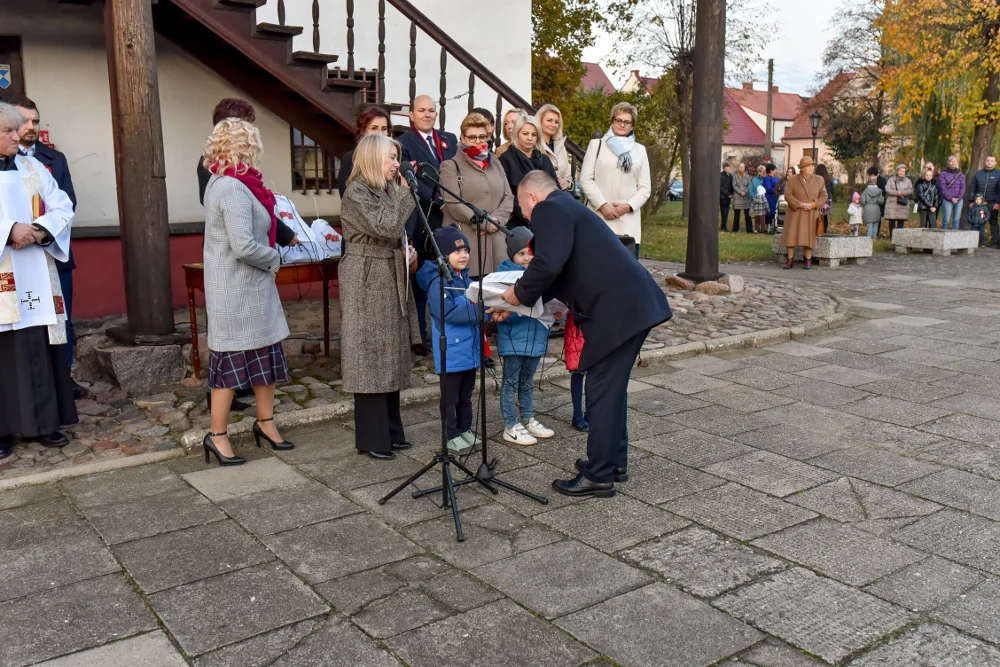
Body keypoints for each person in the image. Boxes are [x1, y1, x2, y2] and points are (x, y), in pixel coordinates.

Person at [498, 171, 672, 498]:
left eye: (524, 209)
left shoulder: (550, 209)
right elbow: (558, 268)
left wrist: (517, 293)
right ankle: (613, 462)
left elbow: (547, 264)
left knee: (602, 389)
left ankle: (600, 474)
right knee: (611, 388)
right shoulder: (567, 206)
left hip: (618, 310)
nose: (526, 217)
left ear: (532, 197)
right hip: (631, 305)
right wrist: (518, 304)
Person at [200, 119, 293, 467]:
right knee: (229, 365)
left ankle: (265, 422)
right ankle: (217, 435)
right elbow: (243, 246)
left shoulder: (230, 182)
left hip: (248, 289)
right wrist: (275, 258)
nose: (253, 154)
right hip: (237, 290)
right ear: (243, 148)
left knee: (265, 359)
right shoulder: (232, 188)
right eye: (250, 147)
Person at [0, 102, 77, 460]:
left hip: (36, 273)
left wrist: (41, 230)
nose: (17, 137)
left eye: (17, 130)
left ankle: (45, 423)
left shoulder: (32, 167)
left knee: (38, 345)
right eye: (8, 131)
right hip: (4, 275)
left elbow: (61, 204)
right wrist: (8, 231)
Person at [339, 134, 420, 460]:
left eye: (397, 158)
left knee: (390, 353)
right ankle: (373, 438)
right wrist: (404, 193)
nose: (397, 164)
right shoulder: (356, 192)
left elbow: (394, 232)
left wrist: (407, 251)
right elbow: (385, 225)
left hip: (387, 270)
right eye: (391, 158)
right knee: (370, 354)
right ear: (373, 159)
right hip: (366, 277)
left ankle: (391, 431)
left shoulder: (384, 190)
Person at [10, 96, 87, 400]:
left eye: (35, 121)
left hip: (50, 251)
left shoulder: (53, 159)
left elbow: (68, 202)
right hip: (13, 256)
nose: (30, 127)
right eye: (24, 121)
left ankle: (62, 377)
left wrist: (39, 231)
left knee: (60, 320)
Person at [416, 226, 487, 456]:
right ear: (443, 255)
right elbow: (448, 312)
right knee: (450, 397)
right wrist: (481, 310)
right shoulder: (439, 282)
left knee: (466, 396)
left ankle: (465, 429)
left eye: (466, 250)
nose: (464, 255)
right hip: (451, 353)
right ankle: (451, 435)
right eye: (456, 251)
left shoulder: (464, 279)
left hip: (469, 351)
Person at [398, 95, 459, 343]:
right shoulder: (403, 142)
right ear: (411, 114)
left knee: (450, 275)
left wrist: (454, 201)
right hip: (424, 218)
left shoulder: (448, 140)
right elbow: (412, 181)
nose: (427, 114)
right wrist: (439, 201)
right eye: (421, 110)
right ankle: (420, 335)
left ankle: (449, 328)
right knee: (423, 278)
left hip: (452, 217)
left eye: (431, 110)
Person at [495, 227, 556, 445]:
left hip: (536, 337)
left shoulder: (540, 275)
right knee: (510, 382)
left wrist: (555, 313)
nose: (527, 258)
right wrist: (519, 306)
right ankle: (510, 424)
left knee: (527, 382)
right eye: (521, 253)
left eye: (530, 252)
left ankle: (528, 418)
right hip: (514, 339)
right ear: (511, 255)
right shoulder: (502, 276)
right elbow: (500, 311)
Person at [439, 112, 513, 277]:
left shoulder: (496, 164)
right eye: (472, 137)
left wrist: (497, 220)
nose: (478, 141)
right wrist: (484, 223)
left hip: (496, 245)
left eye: (482, 137)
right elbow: (453, 202)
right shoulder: (450, 166)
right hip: (467, 245)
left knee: (496, 296)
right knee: (470, 298)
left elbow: (508, 198)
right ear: (462, 138)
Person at [579, 102, 651, 256]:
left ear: (632, 126)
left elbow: (645, 188)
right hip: (598, 217)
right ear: (612, 121)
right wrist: (603, 205)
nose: (622, 125)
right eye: (619, 120)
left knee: (626, 274)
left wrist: (627, 206)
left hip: (627, 221)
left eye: (627, 122)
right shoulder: (597, 145)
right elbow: (586, 180)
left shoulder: (640, 150)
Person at [498, 115, 559, 229]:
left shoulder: (544, 160)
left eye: (534, 134)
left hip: (548, 219)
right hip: (520, 223)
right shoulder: (506, 160)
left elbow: (556, 190)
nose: (530, 138)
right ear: (517, 134)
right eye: (525, 134)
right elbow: (508, 196)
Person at [780, 156, 828, 270]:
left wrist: (813, 205)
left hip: (810, 212)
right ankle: (790, 259)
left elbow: (824, 195)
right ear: (802, 168)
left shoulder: (819, 179)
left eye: (812, 166)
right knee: (791, 236)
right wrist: (799, 204)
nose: (811, 168)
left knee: (808, 237)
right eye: (808, 166)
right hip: (795, 212)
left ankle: (808, 260)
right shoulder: (792, 179)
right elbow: (787, 195)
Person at [338, 105, 391, 199]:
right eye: (374, 128)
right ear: (363, 131)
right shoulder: (351, 158)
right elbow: (346, 195)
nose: (380, 133)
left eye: (384, 129)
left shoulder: (393, 158)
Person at [535, 104, 574, 191]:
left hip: (562, 193)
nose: (553, 125)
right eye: (549, 120)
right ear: (539, 121)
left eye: (556, 122)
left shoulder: (560, 145)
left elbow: (568, 176)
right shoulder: (534, 144)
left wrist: (567, 182)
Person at [969, 156, 999, 247]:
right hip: (978, 203)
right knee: (976, 222)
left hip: (992, 203)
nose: (989, 162)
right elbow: (972, 187)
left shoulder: (998, 174)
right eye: (988, 160)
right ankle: (976, 242)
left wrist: (998, 202)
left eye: (991, 161)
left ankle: (995, 242)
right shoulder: (978, 174)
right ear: (985, 162)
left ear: (995, 163)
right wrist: (971, 200)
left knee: (993, 222)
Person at [938, 155, 966, 231]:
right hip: (947, 200)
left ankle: (954, 238)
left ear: (957, 162)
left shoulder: (961, 174)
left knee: (956, 219)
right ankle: (943, 236)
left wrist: (959, 198)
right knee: (946, 220)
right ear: (948, 163)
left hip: (959, 200)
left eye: (955, 161)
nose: (953, 163)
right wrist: (950, 198)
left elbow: (963, 187)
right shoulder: (943, 174)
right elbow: (942, 188)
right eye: (951, 161)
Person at [884, 164, 914, 235]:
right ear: (897, 171)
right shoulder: (891, 180)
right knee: (892, 222)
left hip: (902, 205)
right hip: (892, 204)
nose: (902, 172)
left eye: (903, 171)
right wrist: (897, 193)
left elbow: (910, 190)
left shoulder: (908, 181)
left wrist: (902, 193)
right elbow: (887, 189)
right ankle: (892, 238)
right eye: (900, 170)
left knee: (901, 223)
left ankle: (899, 239)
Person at [915, 164, 940, 229]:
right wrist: (930, 206)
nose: (928, 177)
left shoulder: (933, 185)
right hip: (923, 206)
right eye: (927, 175)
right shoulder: (920, 184)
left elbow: (936, 196)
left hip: (932, 207)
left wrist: (935, 206)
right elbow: (921, 196)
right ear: (924, 176)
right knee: (923, 223)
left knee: (933, 223)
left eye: (930, 175)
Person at [861, 174, 885, 239]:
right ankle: (874, 237)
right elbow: (881, 202)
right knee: (875, 224)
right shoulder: (879, 191)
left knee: (869, 224)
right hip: (876, 208)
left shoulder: (865, 192)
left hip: (867, 208)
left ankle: (869, 237)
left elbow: (863, 202)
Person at [731, 162, 752, 233]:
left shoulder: (747, 176)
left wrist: (745, 192)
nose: (741, 168)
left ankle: (749, 229)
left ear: (744, 168)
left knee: (747, 213)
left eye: (742, 167)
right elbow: (734, 185)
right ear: (738, 168)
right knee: (737, 213)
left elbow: (749, 185)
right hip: (738, 196)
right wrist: (740, 192)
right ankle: (735, 229)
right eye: (740, 167)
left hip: (746, 196)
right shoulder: (735, 176)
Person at [815, 163, 834, 233]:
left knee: (818, 215)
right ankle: (824, 230)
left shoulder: (816, 180)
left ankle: (817, 229)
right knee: (825, 216)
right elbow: (832, 191)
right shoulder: (829, 180)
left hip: (819, 200)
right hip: (827, 200)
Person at [762, 164, 779, 231]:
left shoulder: (776, 178)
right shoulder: (767, 178)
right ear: (771, 170)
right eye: (774, 170)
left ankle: (774, 225)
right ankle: (767, 227)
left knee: (775, 212)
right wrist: (775, 190)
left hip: (775, 197)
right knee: (769, 212)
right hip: (769, 197)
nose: (775, 171)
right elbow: (767, 188)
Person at [720, 163, 734, 231]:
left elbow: (732, 186)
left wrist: (732, 194)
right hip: (723, 197)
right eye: (727, 168)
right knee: (724, 212)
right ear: (724, 168)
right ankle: (723, 226)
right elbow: (721, 187)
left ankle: (724, 226)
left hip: (729, 196)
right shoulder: (721, 175)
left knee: (727, 212)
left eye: (729, 168)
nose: (728, 169)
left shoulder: (731, 176)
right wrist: (728, 194)